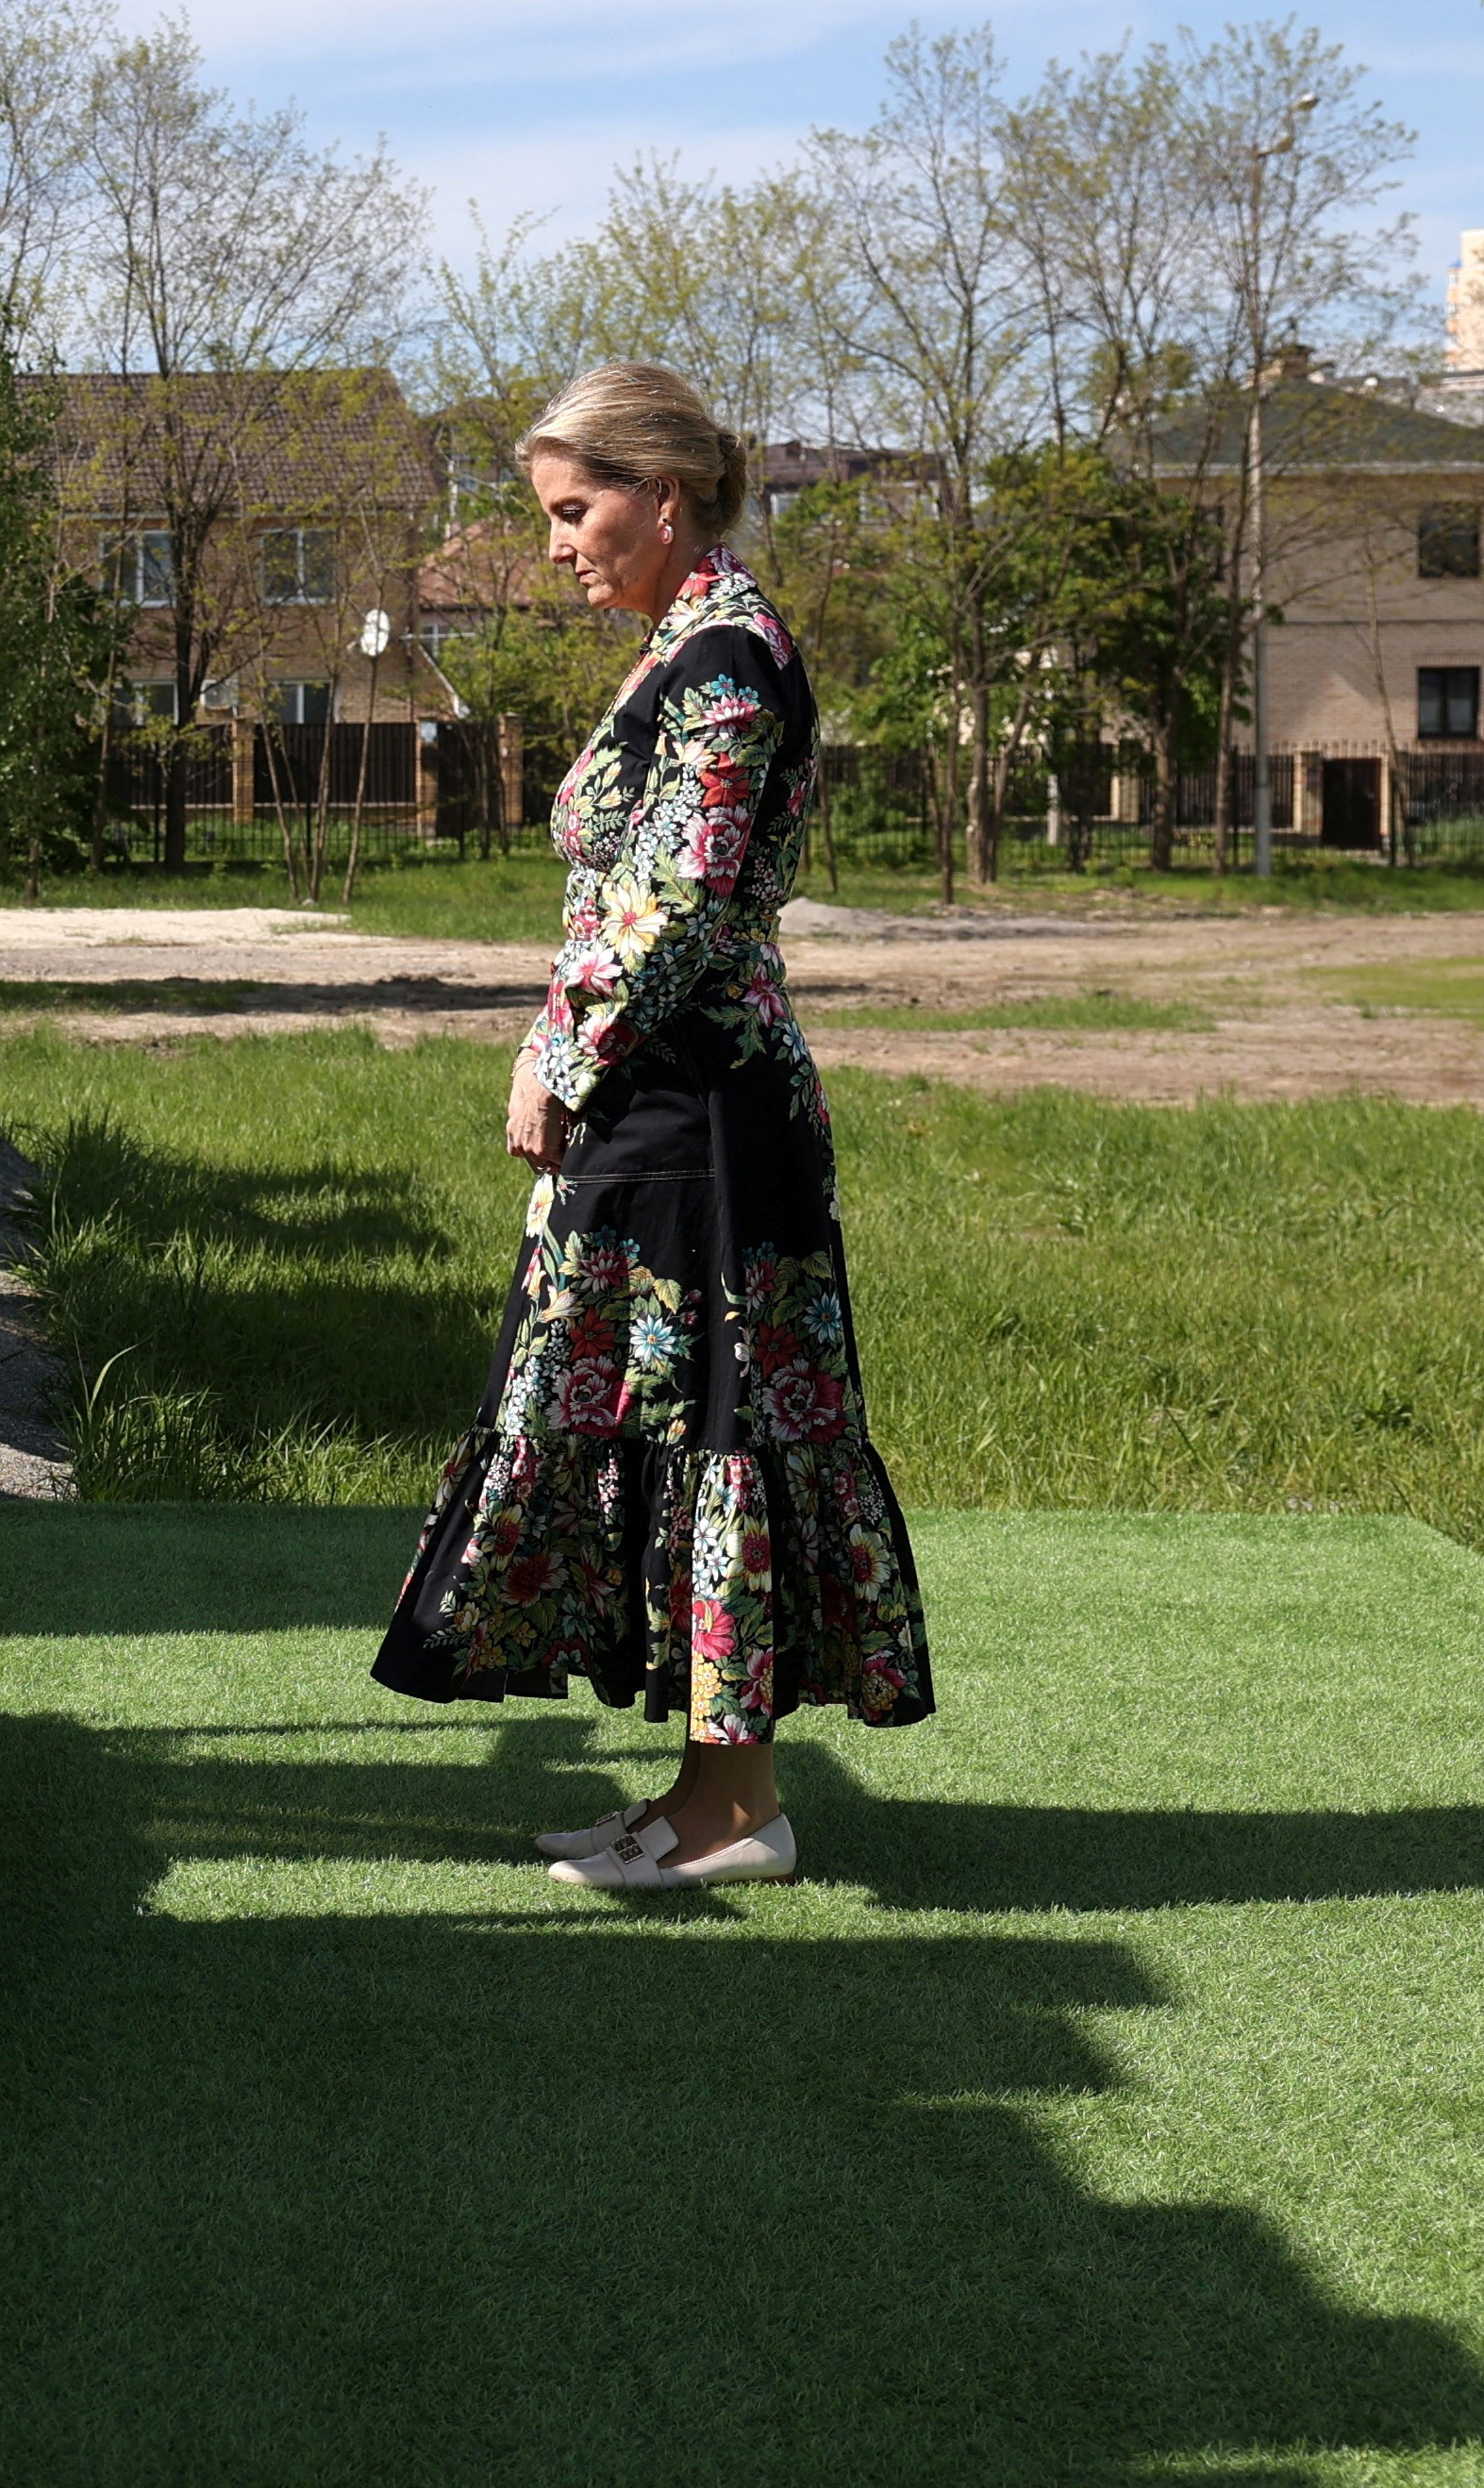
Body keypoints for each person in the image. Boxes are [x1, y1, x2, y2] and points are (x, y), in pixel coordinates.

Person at [370, 361, 935, 1890]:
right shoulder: (685, 647)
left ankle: (737, 1812)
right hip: (663, 1104)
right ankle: (703, 1788)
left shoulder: (729, 661)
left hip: (699, 1117)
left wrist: (553, 1054)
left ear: (662, 495)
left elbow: (676, 897)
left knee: (719, 1434)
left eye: (574, 511)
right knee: (677, 1429)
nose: (555, 545)